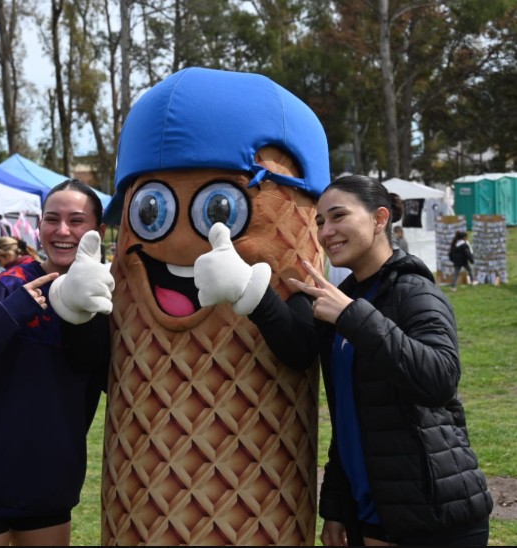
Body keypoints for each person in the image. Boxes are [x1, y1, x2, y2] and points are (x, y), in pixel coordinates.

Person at [196, 175, 492, 545]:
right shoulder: (343, 296)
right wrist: (337, 507)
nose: (326, 231)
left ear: (379, 219)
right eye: (320, 222)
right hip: (373, 516)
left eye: (338, 217)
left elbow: (439, 379)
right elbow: (346, 411)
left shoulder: (413, 291)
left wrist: (351, 315)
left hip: (434, 519)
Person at [0, 179, 113, 546]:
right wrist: (12, 313)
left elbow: (111, 383)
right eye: (52, 219)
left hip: (49, 487)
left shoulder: (106, 306)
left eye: (76, 220)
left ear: (98, 232)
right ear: (38, 228)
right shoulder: (9, 288)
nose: (63, 230)